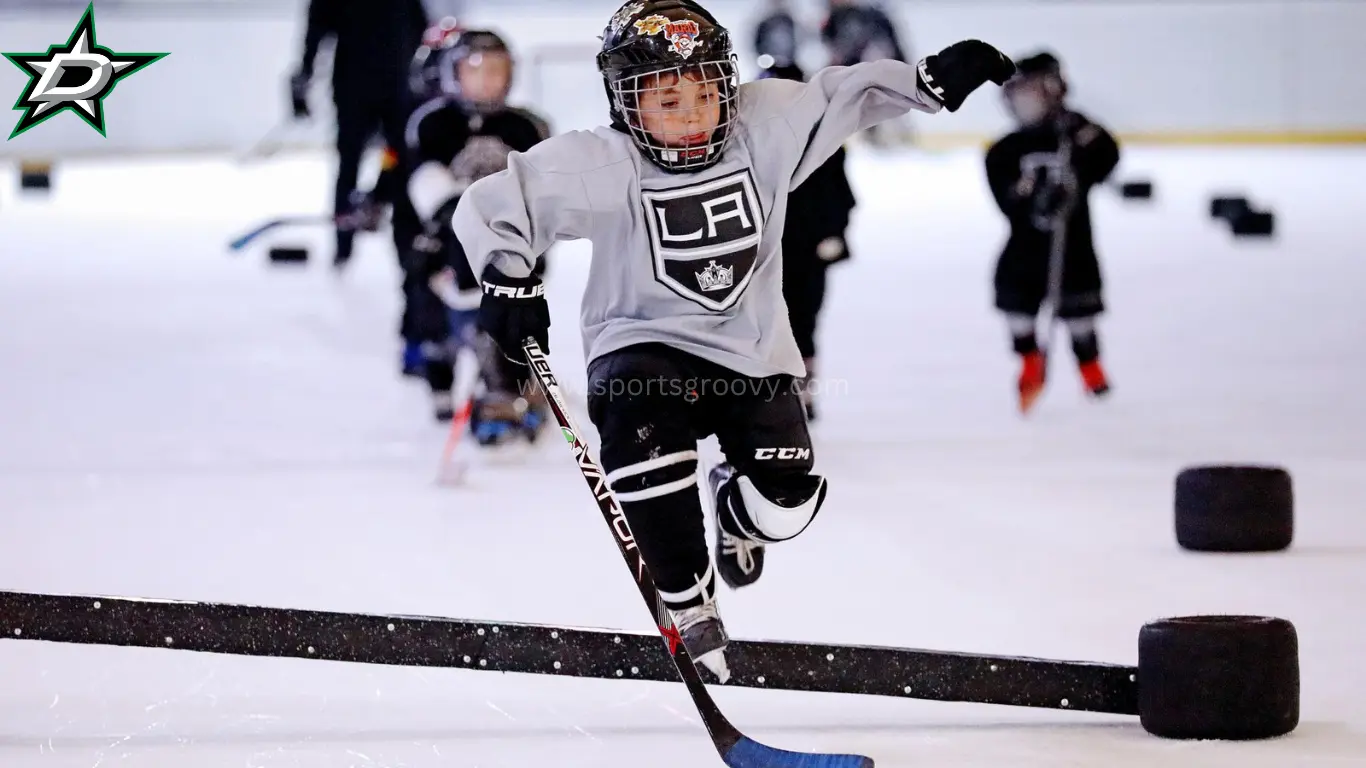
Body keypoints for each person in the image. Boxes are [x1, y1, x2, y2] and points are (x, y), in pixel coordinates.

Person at [451, 0, 1012, 680]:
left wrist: (923, 82)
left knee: (789, 503)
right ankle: (688, 601)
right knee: (642, 435)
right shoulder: (604, 162)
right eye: (664, 96)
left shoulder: (766, 125)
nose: (690, 111)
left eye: (704, 91)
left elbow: (845, 94)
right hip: (640, 344)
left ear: (727, 83)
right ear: (625, 102)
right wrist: (508, 281)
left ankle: (738, 514)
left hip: (752, 353)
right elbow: (500, 200)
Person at [405, 29, 553, 439]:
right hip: (446, 249)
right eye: (475, 70)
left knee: (510, 323)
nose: (487, 80)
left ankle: (514, 390)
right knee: (433, 315)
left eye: (496, 70)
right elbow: (422, 180)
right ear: (453, 74)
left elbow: (546, 188)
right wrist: (449, 217)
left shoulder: (528, 126)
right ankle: (439, 375)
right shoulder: (433, 122)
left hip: (511, 247)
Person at [984, 51, 1120, 414]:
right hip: (1025, 250)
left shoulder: (1076, 134)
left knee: (1080, 314)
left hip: (1073, 247)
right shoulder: (1004, 150)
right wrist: (1034, 200)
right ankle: (1030, 362)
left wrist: (1083, 137)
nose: (1020, 101)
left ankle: (1091, 368)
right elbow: (1006, 199)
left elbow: (1107, 159)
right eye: (1015, 93)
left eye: (1029, 91)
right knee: (1017, 305)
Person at [289, 0, 429, 268]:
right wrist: (304, 73)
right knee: (351, 163)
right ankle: (344, 243)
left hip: (395, 88)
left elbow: (419, 28)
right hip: (356, 88)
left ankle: (402, 236)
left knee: (399, 161)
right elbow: (317, 29)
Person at [758, 61, 857, 422]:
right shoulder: (748, 142)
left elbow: (842, 196)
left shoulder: (824, 144)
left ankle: (800, 394)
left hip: (805, 252)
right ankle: (764, 394)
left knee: (803, 322)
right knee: (761, 324)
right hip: (762, 253)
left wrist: (835, 234)